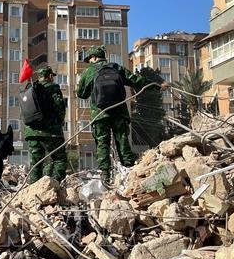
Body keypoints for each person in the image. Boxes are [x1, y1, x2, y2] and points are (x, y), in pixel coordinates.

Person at [76, 45, 167, 185]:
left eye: (90, 59)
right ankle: (130, 175)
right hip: (119, 112)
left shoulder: (89, 72)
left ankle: (105, 178)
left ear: (93, 58)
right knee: (123, 142)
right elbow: (137, 81)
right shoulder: (116, 67)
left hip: (100, 114)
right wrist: (157, 85)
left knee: (102, 144)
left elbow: (81, 94)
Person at [25, 66, 68, 183]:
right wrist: (61, 121)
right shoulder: (53, 87)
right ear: (49, 76)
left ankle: (33, 190)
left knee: (35, 163)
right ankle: (54, 187)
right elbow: (60, 106)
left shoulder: (30, 89)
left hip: (32, 132)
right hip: (51, 132)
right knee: (59, 159)